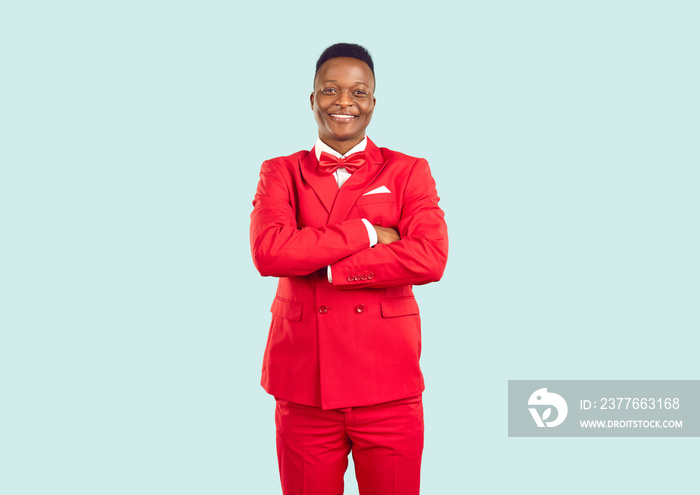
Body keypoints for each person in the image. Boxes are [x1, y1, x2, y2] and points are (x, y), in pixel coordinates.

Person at [250, 43, 448, 495]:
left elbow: (430, 256)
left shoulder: (408, 171)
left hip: (389, 385)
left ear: (373, 102)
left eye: (358, 92)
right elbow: (270, 252)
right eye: (330, 90)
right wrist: (368, 232)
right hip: (304, 387)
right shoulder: (279, 172)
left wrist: (331, 268)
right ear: (312, 98)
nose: (344, 102)